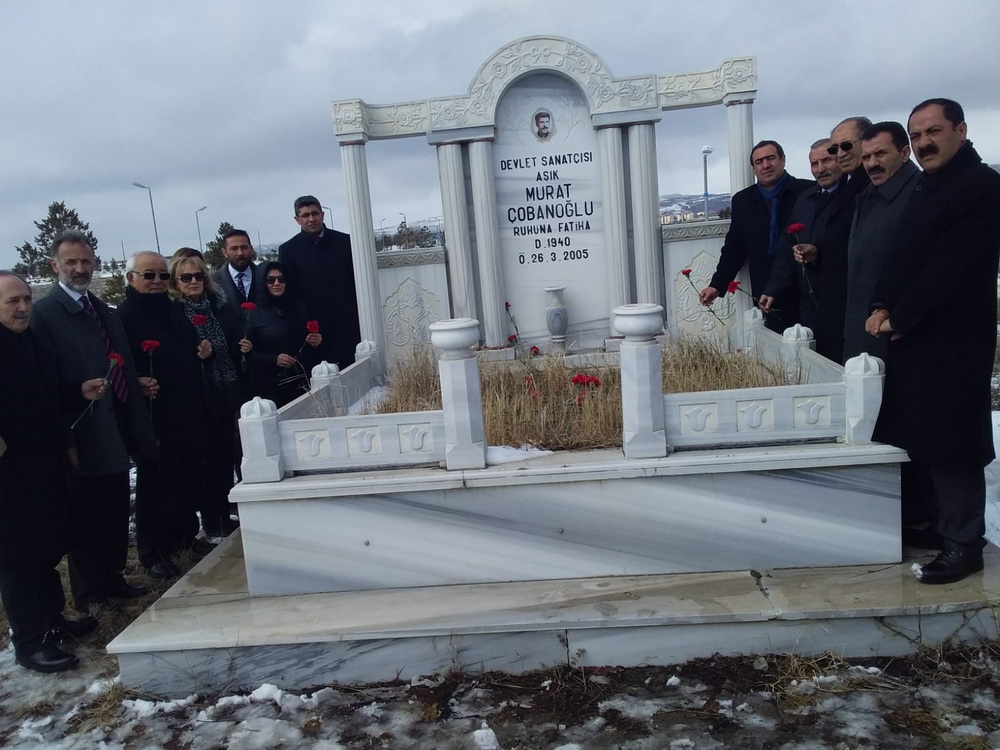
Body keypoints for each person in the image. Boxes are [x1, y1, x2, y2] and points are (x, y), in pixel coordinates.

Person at [866, 98, 1000, 584]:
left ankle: (965, 545)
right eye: (916, 135)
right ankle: (944, 530)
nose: (924, 143)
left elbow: (954, 267)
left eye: (933, 132)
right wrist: (883, 303)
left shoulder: (982, 186)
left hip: (953, 340)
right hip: (918, 336)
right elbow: (904, 257)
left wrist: (901, 315)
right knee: (924, 434)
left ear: (961, 130)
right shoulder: (931, 184)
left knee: (953, 441)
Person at [31, 230, 158, 613]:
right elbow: (44, 378)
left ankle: (112, 576)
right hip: (81, 428)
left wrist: (132, 382)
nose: (80, 268)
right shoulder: (46, 314)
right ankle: (90, 592)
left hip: (115, 417)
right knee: (88, 512)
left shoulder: (100, 308)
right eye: (71, 262)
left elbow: (114, 357)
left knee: (115, 505)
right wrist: (75, 393)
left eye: (86, 261)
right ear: (55, 266)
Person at [0, 271, 103, 672]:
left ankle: (52, 621)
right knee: (18, 556)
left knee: (46, 546)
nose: (23, 307)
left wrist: (78, 392)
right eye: (12, 301)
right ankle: (29, 641)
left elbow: (47, 395)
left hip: (44, 461)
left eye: (26, 298)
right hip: (8, 472)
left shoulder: (33, 340)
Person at [118, 252, 211, 577]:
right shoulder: (125, 316)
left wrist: (201, 349)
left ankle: (184, 537)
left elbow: (186, 347)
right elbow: (119, 362)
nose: (157, 281)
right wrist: (136, 382)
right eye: (149, 275)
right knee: (156, 484)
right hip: (154, 413)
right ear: (132, 279)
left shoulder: (172, 309)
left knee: (186, 478)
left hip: (184, 407)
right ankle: (152, 550)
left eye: (161, 276)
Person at [168, 250, 250, 538]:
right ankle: (211, 519)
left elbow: (228, 335)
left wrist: (237, 344)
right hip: (199, 393)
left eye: (198, 276)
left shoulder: (217, 305)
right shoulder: (175, 312)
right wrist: (198, 353)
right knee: (208, 461)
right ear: (176, 282)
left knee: (227, 455)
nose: (193, 282)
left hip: (227, 387)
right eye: (186, 277)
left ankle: (224, 514)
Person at [700, 141, 812, 332]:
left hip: (807, 287)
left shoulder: (807, 192)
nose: (765, 165)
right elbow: (734, 248)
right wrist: (717, 285)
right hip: (767, 290)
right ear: (754, 168)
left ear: (782, 160)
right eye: (759, 161)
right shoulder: (744, 201)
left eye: (770, 158)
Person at [842, 122, 920, 361]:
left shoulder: (919, 196)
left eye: (881, 154)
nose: (872, 163)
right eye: (866, 157)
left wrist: (901, 317)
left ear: (904, 153)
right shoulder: (870, 196)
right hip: (864, 328)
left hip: (896, 333)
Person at [759, 139, 843, 339]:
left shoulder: (852, 196)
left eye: (827, 161)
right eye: (814, 164)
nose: (820, 169)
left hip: (842, 300)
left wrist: (818, 252)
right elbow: (787, 250)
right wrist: (773, 289)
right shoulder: (805, 200)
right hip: (811, 303)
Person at [278, 196, 361, 369]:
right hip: (313, 329)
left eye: (315, 213)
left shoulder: (346, 242)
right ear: (297, 219)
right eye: (305, 215)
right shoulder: (288, 250)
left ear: (322, 215)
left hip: (348, 323)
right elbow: (291, 292)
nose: (311, 219)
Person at [246, 261, 324, 407]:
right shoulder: (254, 313)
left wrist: (316, 341)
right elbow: (247, 353)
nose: (277, 283)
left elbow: (308, 343)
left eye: (281, 279)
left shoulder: (298, 307)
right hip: (269, 384)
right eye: (270, 280)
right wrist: (273, 359)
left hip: (300, 381)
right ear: (263, 282)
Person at [211, 229, 259, 321]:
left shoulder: (265, 277)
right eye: (234, 248)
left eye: (244, 247)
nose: (240, 253)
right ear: (225, 252)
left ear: (251, 249)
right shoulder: (213, 282)